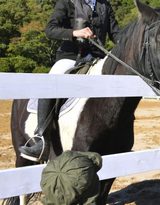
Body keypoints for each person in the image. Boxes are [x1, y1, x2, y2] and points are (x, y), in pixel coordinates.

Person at [19, 0, 120, 162]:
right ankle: (41, 139)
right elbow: (50, 30)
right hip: (71, 57)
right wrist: (75, 33)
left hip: (97, 59)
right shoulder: (67, 2)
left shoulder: (104, 5)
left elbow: (117, 35)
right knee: (51, 81)